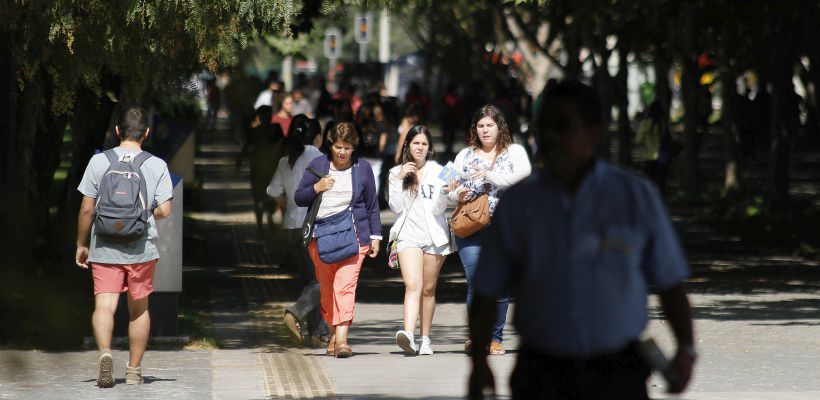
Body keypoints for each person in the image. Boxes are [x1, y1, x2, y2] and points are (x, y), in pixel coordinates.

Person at [468, 79, 696, 399]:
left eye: (563, 126)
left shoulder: (633, 196)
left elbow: (671, 283)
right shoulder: (520, 204)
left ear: (595, 133)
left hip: (617, 376)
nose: (550, 137)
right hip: (542, 377)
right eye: (543, 127)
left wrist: (686, 350)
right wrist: (479, 363)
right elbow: (487, 290)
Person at [75, 106, 173, 388]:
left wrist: (82, 244)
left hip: (104, 243)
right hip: (141, 246)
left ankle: (105, 352)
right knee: (139, 308)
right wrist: (143, 215)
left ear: (117, 130)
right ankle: (133, 371)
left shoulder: (99, 162)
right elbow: (165, 211)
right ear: (147, 133)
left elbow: (86, 208)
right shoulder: (156, 165)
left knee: (105, 304)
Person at [294, 122, 382, 358]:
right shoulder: (318, 165)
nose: (342, 152)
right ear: (331, 146)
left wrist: (376, 236)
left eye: (347, 147)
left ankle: (342, 340)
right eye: (338, 147)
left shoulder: (362, 168)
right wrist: (316, 187)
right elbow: (299, 198)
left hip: (355, 236)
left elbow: (372, 205)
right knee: (326, 290)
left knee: (345, 287)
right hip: (321, 237)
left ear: (354, 147)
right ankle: (335, 335)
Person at [449, 105, 531, 356]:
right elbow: (449, 188)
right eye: (481, 126)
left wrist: (489, 175)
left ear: (499, 127)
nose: (485, 130)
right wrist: (456, 193)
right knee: (477, 282)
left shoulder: (514, 152)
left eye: (489, 125)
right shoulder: (464, 155)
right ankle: (476, 337)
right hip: (471, 226)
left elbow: (523, 177)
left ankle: (495, 338)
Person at [387, 126, 451, 355]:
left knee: (428, 289)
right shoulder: (396, 172)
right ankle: (408, 335)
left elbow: (444, 205)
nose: (420, 148)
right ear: (407, 145)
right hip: (407, 236)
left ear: (429, 147)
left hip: (435, 236)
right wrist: (399, 178)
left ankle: (425, 339)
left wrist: (447, 192)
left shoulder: (441, 171)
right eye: (416, 143)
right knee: (413, 285)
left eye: (424, 144)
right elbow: (395, 206)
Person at [267, 116, 330, 346]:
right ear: (317, 137)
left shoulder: (286, 160)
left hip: (291, 226)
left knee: (311, 280)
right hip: (314, 227)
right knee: (323, 278)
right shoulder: (320, 158)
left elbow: (273, 190)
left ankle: (317, 333)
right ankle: (295, 313)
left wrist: (289, 206)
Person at [237, 105, 283, 230]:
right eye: (262, 115)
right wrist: (240, 161)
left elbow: (283, 145)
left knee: (268, 196)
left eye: (267, 114)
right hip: (257, 169)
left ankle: (268, 219)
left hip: (270, 169)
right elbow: (246, 147)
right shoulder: (255, 131)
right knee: (258, 197)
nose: (265, 117)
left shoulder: (276, 129)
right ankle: (260, 225)